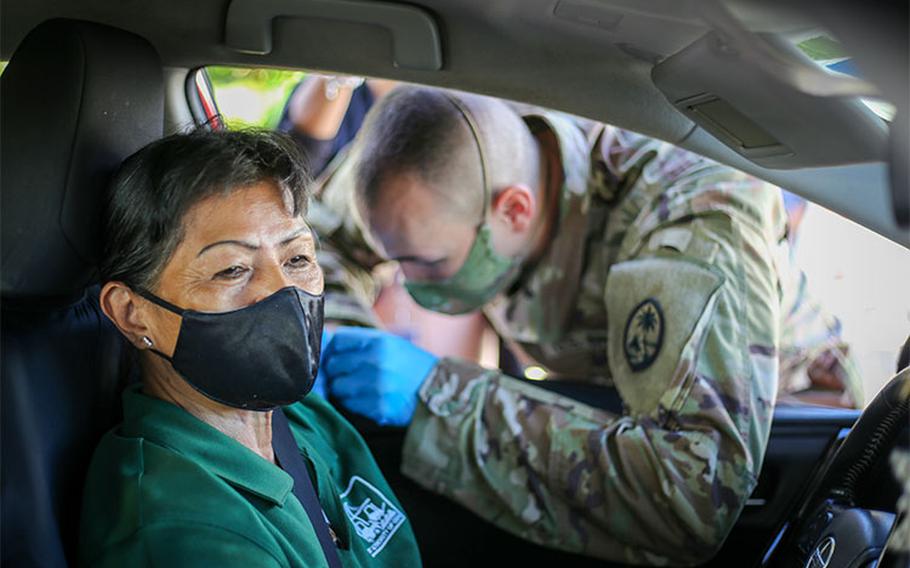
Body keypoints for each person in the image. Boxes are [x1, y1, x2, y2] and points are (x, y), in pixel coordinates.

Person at [318, 86, 787, 565]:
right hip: (600, 400)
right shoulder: (435, 164)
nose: (408, 282)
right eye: (397, 260)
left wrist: (439, 397)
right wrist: (347, 342)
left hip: (790, 422)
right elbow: (321, 235)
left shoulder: (685, 214)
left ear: (514, 210)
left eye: (429, 262)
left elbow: (693, 496)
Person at [79, 129, 421, 567]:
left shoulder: (303, 419)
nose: (283, 292)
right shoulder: (177, 533)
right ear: (131, 314)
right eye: (232, 270)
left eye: (297, 259)